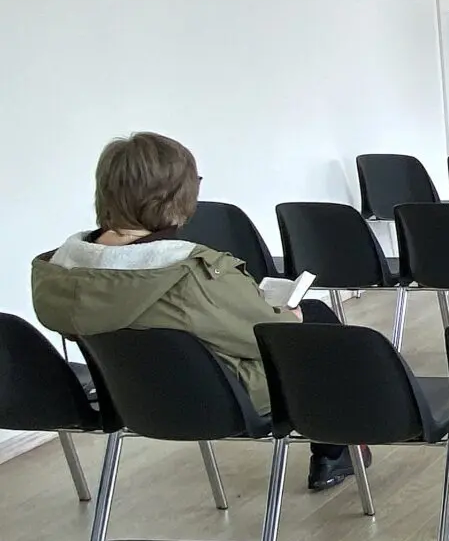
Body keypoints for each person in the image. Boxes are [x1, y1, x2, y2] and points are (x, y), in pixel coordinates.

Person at [31, 132, 356, 490]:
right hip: (217, 397)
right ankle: (334, 452)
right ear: (175, 195)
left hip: (127, 395)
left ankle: (338, 448)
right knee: (317, 322)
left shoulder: (62, 272)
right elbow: (263, 337)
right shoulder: (189, 272)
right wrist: (287, 317)